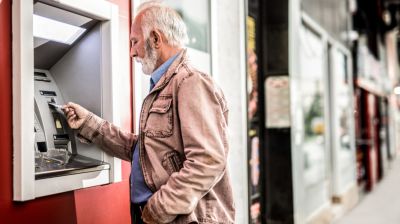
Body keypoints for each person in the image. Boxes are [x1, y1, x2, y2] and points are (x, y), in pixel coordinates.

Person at [63, 2, 235, 224]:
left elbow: (208, 160)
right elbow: (144, 151)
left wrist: (160, 207)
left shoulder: (190, 83)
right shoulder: (165, 85)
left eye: (134, 42)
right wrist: (89, 123)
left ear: (155, 39)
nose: (132, 51)